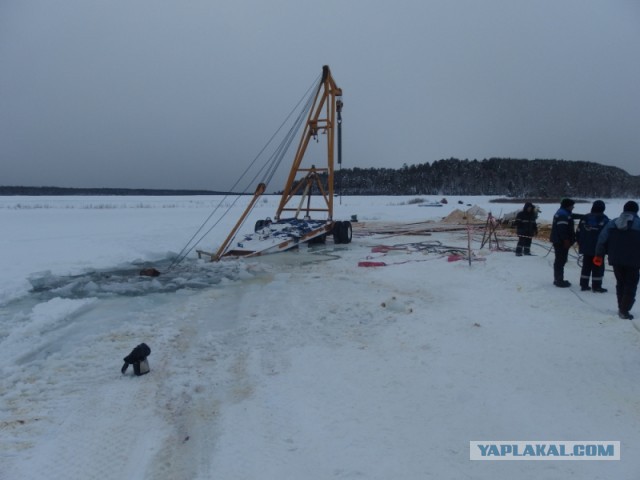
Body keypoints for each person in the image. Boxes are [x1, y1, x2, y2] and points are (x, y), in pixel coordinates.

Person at [594, 201, 640, 320]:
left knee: (620, 282)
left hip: (615, 259)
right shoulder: (638, 223)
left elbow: (602, 239)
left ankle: (621, 307)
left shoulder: (613, 223)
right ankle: (624, 310)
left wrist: (599, 254)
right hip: (634, 260)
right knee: (631, 284)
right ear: (636, 211)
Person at [576, 200, 609, 292]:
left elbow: (578, 231)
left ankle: (584, 284)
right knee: (598, 267)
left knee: (586, 266)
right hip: (598, 249)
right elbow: (607, 235)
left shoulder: (584, 218)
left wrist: (580, 242)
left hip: (585, 247)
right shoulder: (605, 219)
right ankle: (596, 286)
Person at [549, 198, 576, 287]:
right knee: (560, 260)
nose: (573, 207)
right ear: (568, 206)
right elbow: (562, 229)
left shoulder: (563, 213)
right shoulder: (563, 215)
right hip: (561, 242)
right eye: (572, 206)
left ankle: (558, 279)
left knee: (560, 260)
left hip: (559, 240)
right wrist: (566, 240)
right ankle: (559, 280)